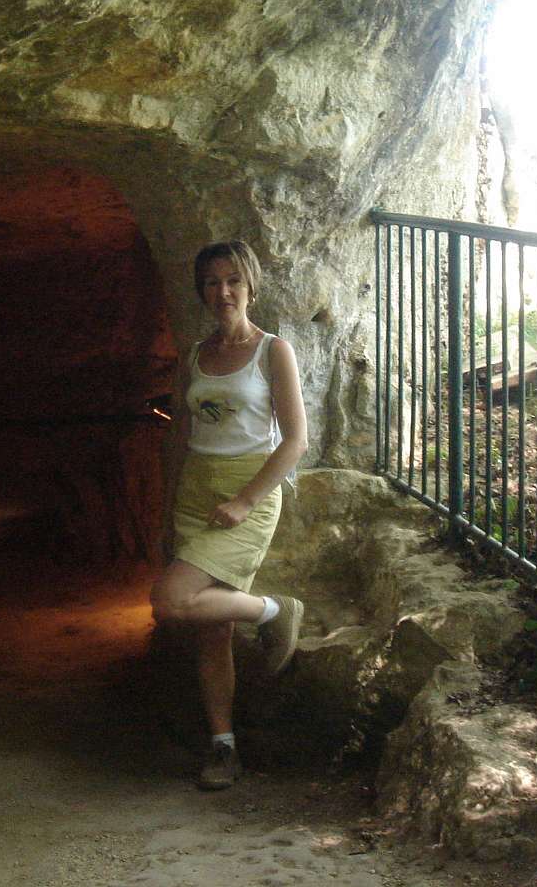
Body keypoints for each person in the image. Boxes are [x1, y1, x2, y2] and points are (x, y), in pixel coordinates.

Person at [149, 240, 308, 791]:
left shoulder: (273, 351)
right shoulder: (196, 356)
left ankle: (274, 610)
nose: (223, 292)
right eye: (212, 282)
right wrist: (167, 509)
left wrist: (245, 501)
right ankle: (224, 746)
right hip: (196, 490)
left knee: (171, 600)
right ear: (202, 291)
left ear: (251, 285)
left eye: (233, 280)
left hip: (248, 491)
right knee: (211, 630)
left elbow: (295, 441)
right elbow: (181, 435)